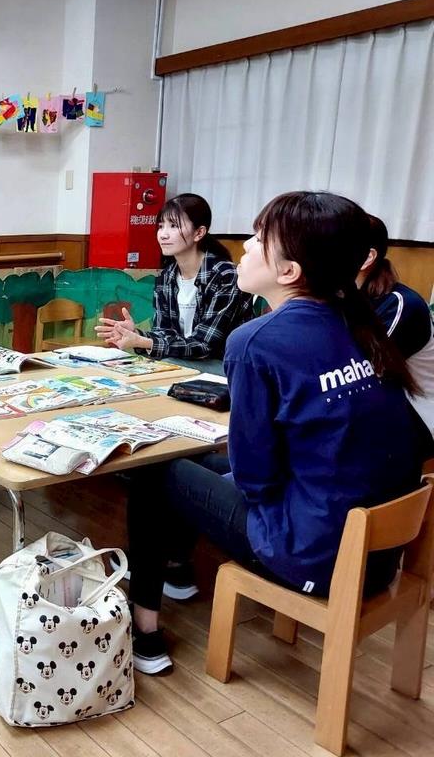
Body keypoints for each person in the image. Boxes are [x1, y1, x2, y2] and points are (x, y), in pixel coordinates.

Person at [125, 191, 425, 675]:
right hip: (379, 557)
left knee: (153, 470)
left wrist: (230, 477)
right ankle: (175, 569)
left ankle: (144, 630)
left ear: (289, 272)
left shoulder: (256, 341)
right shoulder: (359, 321)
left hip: (311, 556)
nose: (245, 246)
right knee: (197, 460)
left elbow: (256, 479)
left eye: (259, 239)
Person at [95, 193, 253, 363]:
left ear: (199, 232)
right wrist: (135, 335)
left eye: (173, 226)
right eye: (161, 226)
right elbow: (165, 334)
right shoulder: (167, 276)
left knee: (163, 365)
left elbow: (205, 346)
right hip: (183, 362)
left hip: (227, 365)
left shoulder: (225, 276)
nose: (163, 234)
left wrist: (145, 342)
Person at [357, 214, 434, 442]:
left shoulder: (401, 305)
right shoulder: (342, 296)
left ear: (367, 258)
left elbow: (357, 374)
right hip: (375, 404)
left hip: (416, 412)